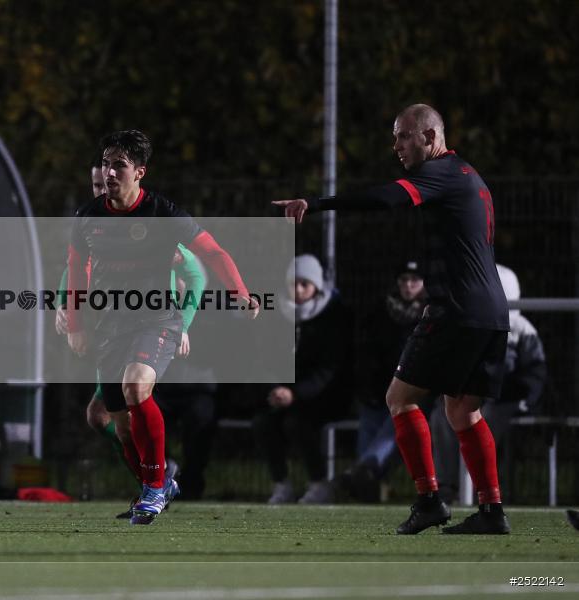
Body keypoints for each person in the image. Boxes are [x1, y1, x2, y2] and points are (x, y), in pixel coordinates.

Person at [275, 104, 512, 534]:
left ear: (430, 136)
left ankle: (428, 500)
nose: (396, 145)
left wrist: (318, 203)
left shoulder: (440, 174)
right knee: (463, 412)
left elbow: (386, 198)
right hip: (490, 312)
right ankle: (492, 511)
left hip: (457, 312)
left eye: (404, 136)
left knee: (399, 399)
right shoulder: (468, 176)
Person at [66, 129, 259, 524]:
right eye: (106, 163)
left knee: (135, 387)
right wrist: (75, 323)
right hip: (110, 326)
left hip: (157, 318)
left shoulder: (163, 213)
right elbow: (75, 274)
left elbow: (211, 252)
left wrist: (239, 292)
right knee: (120, 426)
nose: (110, 172)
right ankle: (157, 486)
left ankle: (154, 489)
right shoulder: (87, 218)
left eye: (119, 165)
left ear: (140, 172)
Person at [430, 263, 546, 504]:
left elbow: (535, 373)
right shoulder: (467, 328)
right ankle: (447, 485)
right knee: (441, 416)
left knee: (483, 420)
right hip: (473, 395)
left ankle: (479, 488)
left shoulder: (523, 330)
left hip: (506, 400)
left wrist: (523, 397)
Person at [253, 254, 352, 504]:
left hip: (323, 397)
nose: (297, 290)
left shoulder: (333, 316)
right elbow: (265, 357)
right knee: (263, 423)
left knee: (297, 423)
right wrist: (275, 389)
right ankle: (281, 484)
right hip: (286, 396)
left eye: (304, 284)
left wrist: (295, 393)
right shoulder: (277, 314)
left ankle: (319, 483)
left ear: (316, 286)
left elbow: (330, 369)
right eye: (293, 283)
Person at [333, 260, 433, 503]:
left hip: (415, 389)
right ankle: (366, 479)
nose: (408, 286)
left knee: (395, 426)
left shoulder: (433, 313)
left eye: (414, 280)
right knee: (371, 418)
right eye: (403, 281)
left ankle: (363, 469)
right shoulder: (382, 311)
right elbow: (369, 353)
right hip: (381, 389)